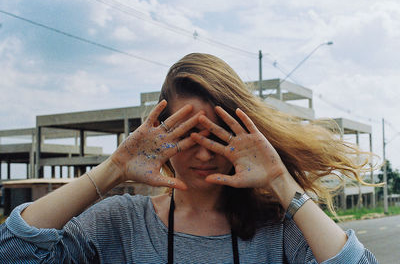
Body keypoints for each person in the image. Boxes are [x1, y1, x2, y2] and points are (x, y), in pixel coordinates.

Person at [0, 53, 378, 263]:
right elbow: (12, 251)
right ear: (161, 135)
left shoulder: (277, 229)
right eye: (186, 135)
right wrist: (114, 169)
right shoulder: (119, 223)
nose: (202, 153)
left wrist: (280, 180)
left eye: (215, 136)